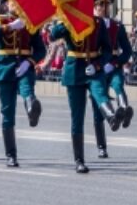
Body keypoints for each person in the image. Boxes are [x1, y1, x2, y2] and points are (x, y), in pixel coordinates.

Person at [51, 10, 124, 174]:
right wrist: (65, 19)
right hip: (74, 69)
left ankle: (111, 117)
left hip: (93, 67)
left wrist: (98, 64)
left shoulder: (97, 23)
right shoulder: (68, 20)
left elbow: (107, 49)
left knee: (100, 93)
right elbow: (53, 35)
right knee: (77, 116)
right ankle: (79, 160)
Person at [0, 1, 46, 167]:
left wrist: (30, 62)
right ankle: (11, 155)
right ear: (5, 4)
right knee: (7, 111)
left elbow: (41, 49)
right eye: (12, 0)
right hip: (5, 66)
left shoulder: (30, 22)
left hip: (24, 65)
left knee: (27, 89)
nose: (16, 4)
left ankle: (32, 109)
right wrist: (9, 27)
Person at [92, 0, 133, 159]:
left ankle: (123, 109)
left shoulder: (117, 26)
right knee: (97, 110)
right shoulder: (90, 24)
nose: (104, 8)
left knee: (118, 84)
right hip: (97, 66)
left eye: (107, 4)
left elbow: (127, 51)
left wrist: (115, 63)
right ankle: (102, 146)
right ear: (95, 6)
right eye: (101, 4)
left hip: (113, 65)